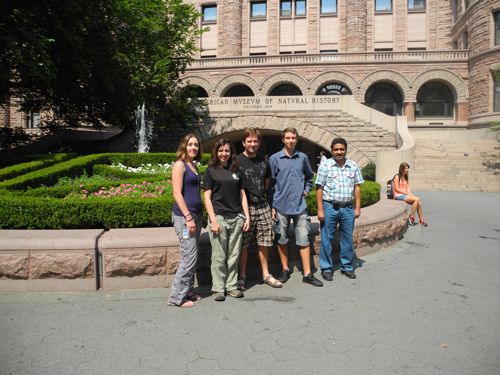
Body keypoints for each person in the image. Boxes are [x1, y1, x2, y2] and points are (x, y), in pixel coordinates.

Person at [269, 127, 323, 287]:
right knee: (282, 238)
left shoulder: (303, 158)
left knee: (304, 238)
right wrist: (272, 204)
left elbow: (309, 177)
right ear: (283, 139)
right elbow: (270, 184)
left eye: (293, 138)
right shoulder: (274, 159)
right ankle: (285, 269)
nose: (290, 141)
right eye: (288, 138)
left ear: (297, 139)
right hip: (281, 205)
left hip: (300, 206)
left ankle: (307, 273)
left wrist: (307, 190)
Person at [202, 139, 250, 301]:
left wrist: (246, 217)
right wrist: (213, 220)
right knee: (219, 255)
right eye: (221, 151)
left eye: (227, 151)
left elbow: (242, 195)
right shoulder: (210, 171)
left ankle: (231, 286)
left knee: (234, 254)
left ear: (231, 153)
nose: (224, 154)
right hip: (219, 217)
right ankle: (218, 288)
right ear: (216, 152)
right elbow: (207, 198)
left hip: (236, 217)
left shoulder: (237, 170)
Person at [237, 128, 282, 290]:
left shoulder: (264, 160)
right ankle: (242, 276)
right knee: (243, 244)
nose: (252, 144)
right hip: (244, 208)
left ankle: (266, 274)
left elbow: (268, 181)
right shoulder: (236, 161)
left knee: (264, 242)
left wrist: (264, 198)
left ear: (259, 142)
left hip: (262, 205)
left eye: (255, 141)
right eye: (249, 141)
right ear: (244, 142)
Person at [316, 137, 363, 281]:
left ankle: (347, 267)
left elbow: (357, 187)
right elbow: (319, 188)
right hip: (330, 207)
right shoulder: (326, 166)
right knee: (326, 239)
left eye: (342, 149)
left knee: (347, 239)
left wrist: (358, 207)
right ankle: (326, 268)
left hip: (348, 208)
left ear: (346, 150)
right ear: (331, 150)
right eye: (336, 149)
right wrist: (320, 209)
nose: (339, 152)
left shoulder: (353, 165)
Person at [168, 133, 203, 308]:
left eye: (196, 145)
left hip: (196, 217)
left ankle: (188, 292)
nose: (193, 148)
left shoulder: (193, 165)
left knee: (192, 256)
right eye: (190, 144)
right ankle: (176, 297)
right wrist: (188, 217)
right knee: (188, 256)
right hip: (184, 218)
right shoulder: (180, 165)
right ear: (184, 145)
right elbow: (176, 193)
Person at [393, 162, 428, 227]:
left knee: (419, 202)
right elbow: (397, 189)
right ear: (402, 169)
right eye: (406, 168)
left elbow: (407, 188)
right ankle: (411, 217)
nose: (408, 169)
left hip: (405, 195)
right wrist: (406, 193)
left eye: (408, 168)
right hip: (398, 195)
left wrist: (411, 194)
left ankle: (421, 221)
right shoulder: (397, 176)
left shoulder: (405, 177)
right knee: (417, 199)